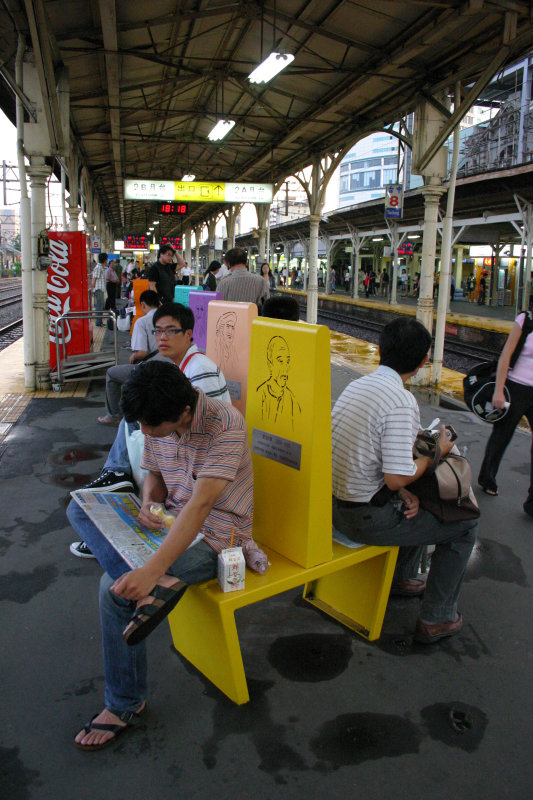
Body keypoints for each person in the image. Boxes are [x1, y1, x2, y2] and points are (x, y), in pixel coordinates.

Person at [69, 360, 254, 750]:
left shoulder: (226, 425)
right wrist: (149, 502)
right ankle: (154, 590)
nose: (145, 433)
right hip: (170, 523)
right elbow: (153, 471)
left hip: (216, 535)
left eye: (151, 428)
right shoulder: (156, 412)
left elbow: (201, 507)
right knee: (77, 508)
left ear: (184, 413)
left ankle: (123, 705)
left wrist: (152, 569)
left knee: (112, 590)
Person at [331, 317, 477, 644]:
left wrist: (408, 484)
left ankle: (401, 579)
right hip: (363, 519)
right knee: (464, 526)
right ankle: (436, 619)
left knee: (416, 500)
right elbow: (397, 477)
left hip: (336, 507)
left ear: (380, 350)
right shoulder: (400, 400)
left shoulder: (358, 385)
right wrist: (435, 451)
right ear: (424, 361)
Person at [69, 302, 231, 559]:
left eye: (170, 331)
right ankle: (114, 480)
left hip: (197, 467)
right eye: (157, 331)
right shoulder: (182, 365)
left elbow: (202, 430)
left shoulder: (199, 370)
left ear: (189, 334)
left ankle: (115, 481)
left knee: (134, 424)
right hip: (182, 454)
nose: (162, 337)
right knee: (134, 418)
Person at [478, 311, 533, 513]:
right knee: (502, 435)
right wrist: (499, 390)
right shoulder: (525, 320)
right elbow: (506, 355)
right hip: (516, 387)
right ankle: (487, 478)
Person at [97, 290, 161, 427]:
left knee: (112, 373)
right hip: (172, 366)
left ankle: (114, 415)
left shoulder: (142, 322)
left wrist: (133, 355)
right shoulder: (169, 318)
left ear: (143, 304)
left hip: (151, 370)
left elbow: (142, 353)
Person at [91, 254, 106, 327]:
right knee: (99, 307)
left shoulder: (101, 267)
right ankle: (98, 323)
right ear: (105, 260)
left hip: (101, 290)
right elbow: (94, 278)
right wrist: (92, 289)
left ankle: (99, 322)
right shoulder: (98, 268)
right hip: (98, 290)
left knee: (100, 306)